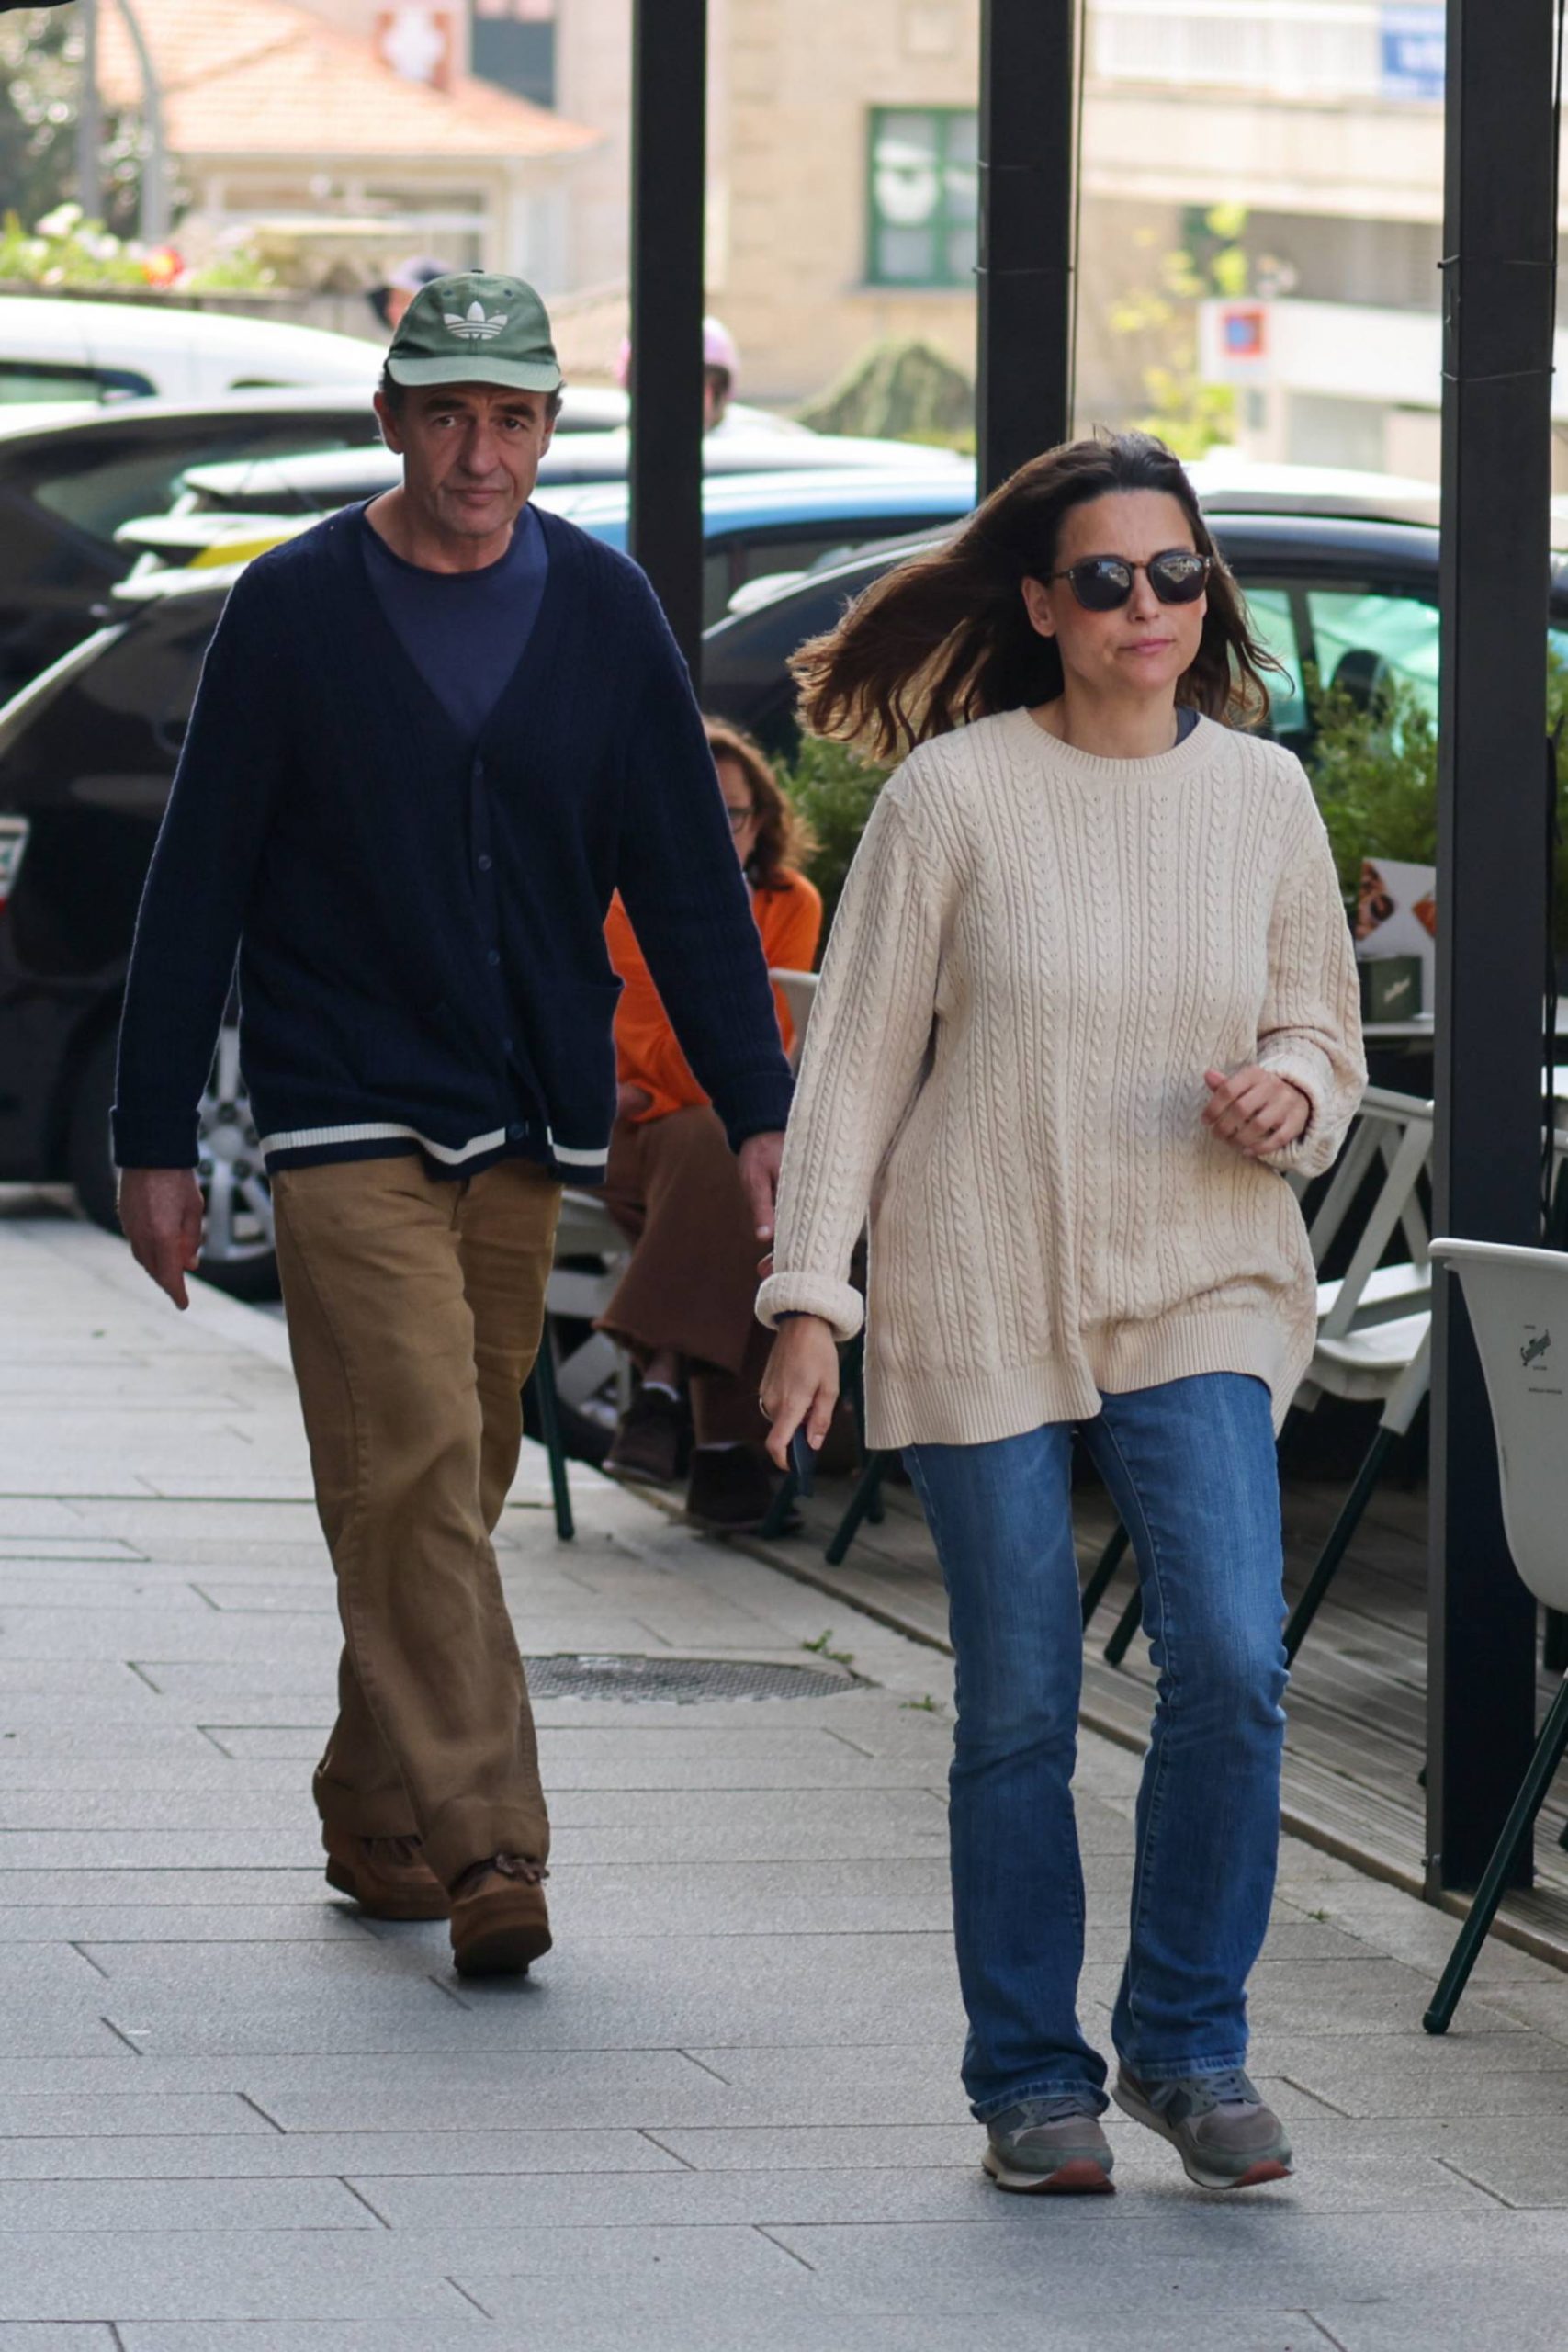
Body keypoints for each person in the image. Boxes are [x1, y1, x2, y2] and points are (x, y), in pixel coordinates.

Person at [113, 271, 793, 1981]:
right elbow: (195, 881)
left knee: (451, 1476)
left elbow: (692, 894)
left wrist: (762, 1114)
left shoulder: (607, 610)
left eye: (512, 419)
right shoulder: (292, 610)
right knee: (415, 1450)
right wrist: (154, 1140)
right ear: (392, 420)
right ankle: (493, 1844)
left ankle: (371, 1800)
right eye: (446, 415)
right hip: (343, 1103)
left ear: (547, 429)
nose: (479, 454)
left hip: (528, 1116)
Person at [757, 431, 1364, 2195]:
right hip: (980, 1270)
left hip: (1203, 1273)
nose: (1147, 607)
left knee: (1234, 1664)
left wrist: (1287, 1095)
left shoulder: (1260, 794)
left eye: (1176, 575)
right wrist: (810, 1298)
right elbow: (858, 1062)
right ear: (1040, 603)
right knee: (1017, 1701)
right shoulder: (954, 795)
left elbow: (1316, 1029)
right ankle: (1031, 2078)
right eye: (1104, 579)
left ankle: (1186, 2044)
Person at [598, 719, 821, 1528]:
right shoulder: (622, 899)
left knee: (735, 1156)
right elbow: (648, 1043)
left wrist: (704, 1070)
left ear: (759, 821)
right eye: (695, 807)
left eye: (731, 813)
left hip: (701, 1138)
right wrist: (716, 1068)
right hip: (627, 1137)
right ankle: (729, 1453)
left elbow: (769, 1042)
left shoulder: (788, 901)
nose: (714, 827)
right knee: (727, 1144)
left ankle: (661, 1389)